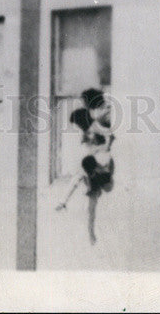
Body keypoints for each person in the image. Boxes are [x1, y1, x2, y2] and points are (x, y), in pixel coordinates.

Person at [55, 87, 115, 246]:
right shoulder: (88, 120)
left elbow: (103, 134)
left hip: (99, 158)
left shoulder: (99, 116)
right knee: (91, 204)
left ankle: (91, 234)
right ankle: (91, 234)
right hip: (95, 157)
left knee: (91, 196)